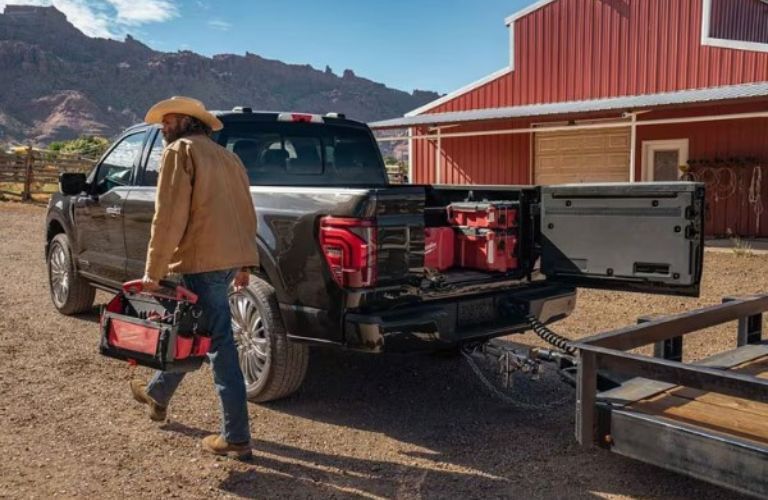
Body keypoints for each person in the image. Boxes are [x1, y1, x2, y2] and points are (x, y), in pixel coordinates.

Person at [129, 96, 259, 460]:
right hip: (227, 260)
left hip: (200, 261)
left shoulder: (180, 151)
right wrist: (246, 263)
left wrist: (153, 272)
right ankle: (157, 392)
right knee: (193, 335)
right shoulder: (228, 157)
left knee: (218, 345)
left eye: (169, 121)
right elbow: (246, 212)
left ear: (188, 122)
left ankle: (236, 437)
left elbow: (168, 216)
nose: (163, 128)